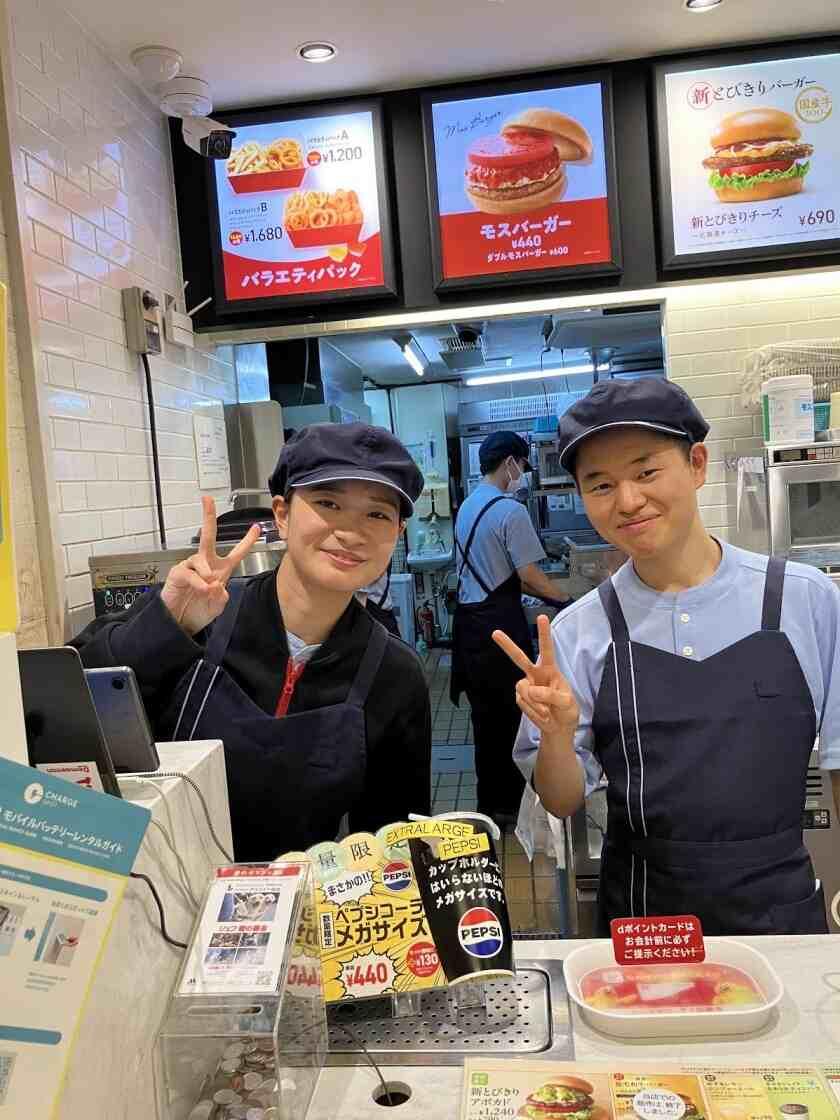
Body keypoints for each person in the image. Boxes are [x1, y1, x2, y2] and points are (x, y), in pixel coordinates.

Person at [497, 378, 840, 935]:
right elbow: (560, 801)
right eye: (600, 484)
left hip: (782, 916)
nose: (628, 500)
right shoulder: (579, 630)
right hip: (643, 924)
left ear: (697, 464)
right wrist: (556, 733)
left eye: (646, 471)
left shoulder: (806, 598)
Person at [72, 423, 431, 862]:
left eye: (377, 514)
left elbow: (390, 846)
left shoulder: (394, 673)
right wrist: (167, 627)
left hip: (295, 909)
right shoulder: (202, 613)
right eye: (328, 503)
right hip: (155, 897)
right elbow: (65, 710)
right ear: (281, 514)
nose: (351, 531)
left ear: (397, 532)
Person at [450, 430, 571, 826]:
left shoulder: (468, 505)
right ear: (510, 464)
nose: (523, 474)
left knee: (485, 721)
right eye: (522, 465)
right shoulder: (509, 510)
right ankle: (513, 807)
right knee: (510, 716)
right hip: (499, 630)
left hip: (469, 626)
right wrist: (566, 602)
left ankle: (490, 805)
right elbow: (530, 576)